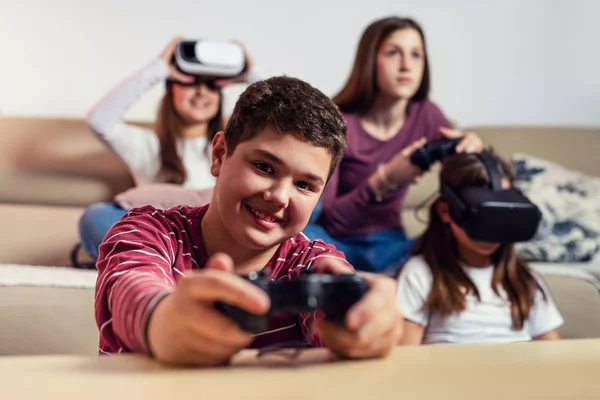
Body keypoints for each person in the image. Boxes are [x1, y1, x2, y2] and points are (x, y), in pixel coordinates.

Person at [94, 76, 402, 366]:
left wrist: (361, 324)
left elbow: (342, 327)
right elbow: (129, 290)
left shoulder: (315, 262)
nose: (280, 196)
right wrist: (162, 322)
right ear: (218, 155)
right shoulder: (145, 232)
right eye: (264, 167)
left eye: (305, 185)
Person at [302, 16, 484, 273]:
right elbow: (331, 219)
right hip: (336, 242)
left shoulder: (427, 115)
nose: (406, 66)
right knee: (302, 232)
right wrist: (385, 179)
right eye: (393, 53)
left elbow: (468, 176)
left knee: (451, 240)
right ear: (369, 61)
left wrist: (473, 152)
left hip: (394, 245)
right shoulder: (337, 121)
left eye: (416, 55)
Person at [76, 36, 262, 261]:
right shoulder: (146, 145)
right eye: (189, 82)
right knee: (96, 218)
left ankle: (190, 263)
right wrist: (158, 69)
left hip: (224, 236)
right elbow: (100, 120)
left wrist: (250, 74)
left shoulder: (234, 145)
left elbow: (286, 126)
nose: (201, 92)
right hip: (164, 238)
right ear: (170, 88)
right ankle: (182, 262)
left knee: (310, 218)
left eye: (211, 85)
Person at [396, 151, 563, 345]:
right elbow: (405, 356)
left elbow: (552, 350)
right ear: (445, 211)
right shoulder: (420, 275)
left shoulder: (524, 279)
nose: (491, 230)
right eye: (482, 216)